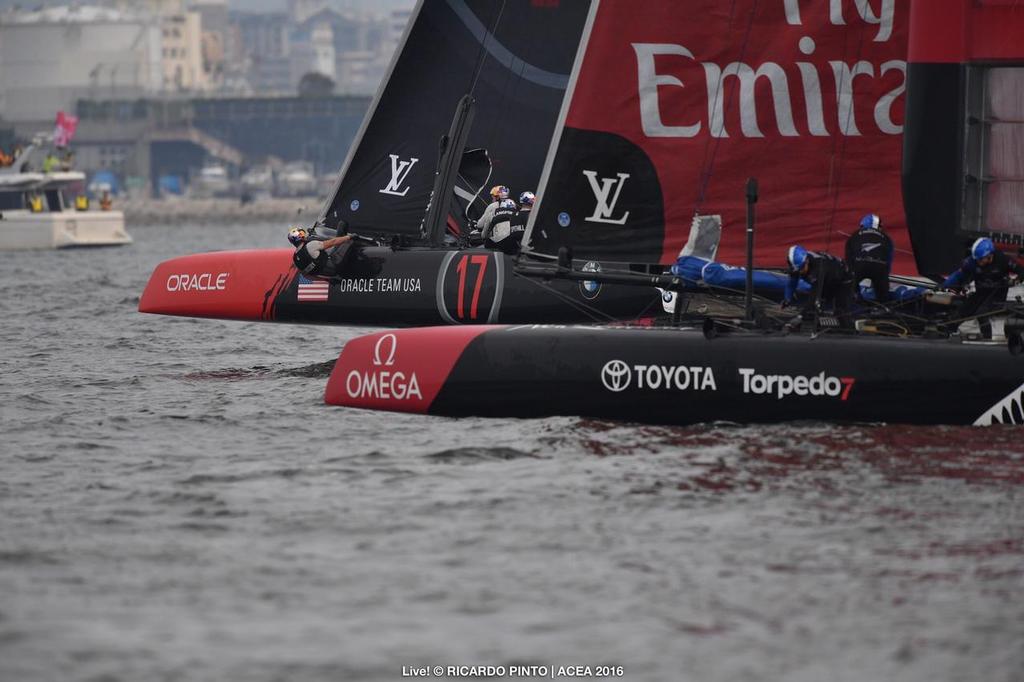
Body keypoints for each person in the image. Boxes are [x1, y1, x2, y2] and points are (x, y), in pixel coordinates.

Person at [941, 237, 1022, 339]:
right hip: (981, 293)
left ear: (989, 255)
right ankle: (949, 332)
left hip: (997, 295)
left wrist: (1015, 280)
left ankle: (987, 339)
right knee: (962, 311)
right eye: (976, 259)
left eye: (980, 259)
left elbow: (1021, 271)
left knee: (981, 314)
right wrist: (944, 286)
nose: (978, 262)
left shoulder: (1003, 259)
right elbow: (958, 275)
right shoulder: (971, 261)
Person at [783, 245, 854, 326]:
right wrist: (787, 299)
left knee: (841, 311)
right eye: (797, 270)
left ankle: (847, 325)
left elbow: (814, 296)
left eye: (802, 268)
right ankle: (820, 320)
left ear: (807, 261)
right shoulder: (797, 265)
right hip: (827, 280)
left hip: (843, 279)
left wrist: (800, 317)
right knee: (814, 309)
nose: (800, 272)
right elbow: (792, 281)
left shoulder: (818, 268)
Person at [845, 213, 894, 302]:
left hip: (858, 265)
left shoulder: (854, 235)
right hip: (879, 267)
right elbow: (889, 260)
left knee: (850, 286)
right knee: (882, 294)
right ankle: (883, 308)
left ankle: (853, 301)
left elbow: (848, 259)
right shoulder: (887, 238)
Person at [289, 227, 354, 275]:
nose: (304, 235)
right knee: (349, 241)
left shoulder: (295, 258)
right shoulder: (311, 245)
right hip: (336, 266)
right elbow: (333, 242)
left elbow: (306, 274)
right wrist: (349, 237)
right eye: (302, 233)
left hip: (325, 274)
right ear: (299, 237)